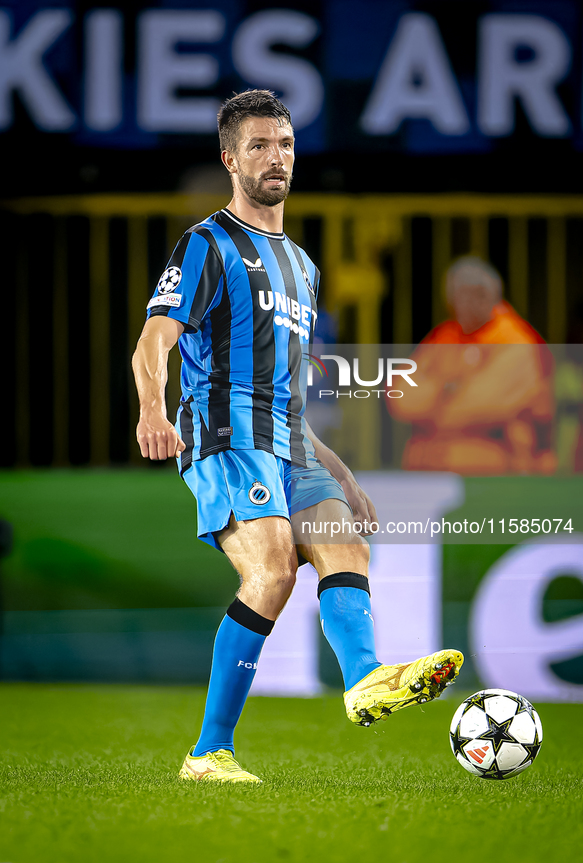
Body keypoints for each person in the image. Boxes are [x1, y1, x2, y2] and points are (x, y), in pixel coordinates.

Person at [132, 90, 463, 784]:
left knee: (344, 544)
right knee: (274, 569)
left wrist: (341, 473)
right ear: (230, 158)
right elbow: (151, 343)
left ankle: (366, 679)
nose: (274, 156)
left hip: (290, 438)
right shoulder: (205, 244)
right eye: (257, 145)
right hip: (225, 430)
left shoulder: (305, 270)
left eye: (282, 143)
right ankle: (207, 752)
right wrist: (152, 411)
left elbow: (290, 394)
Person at [388, 256, 556, 475]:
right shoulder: (445, 335)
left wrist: (432, 404)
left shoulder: (516, 340)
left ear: (491, 295)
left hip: (501, 474)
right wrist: (447, 387)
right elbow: (400, 397)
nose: (465, 302)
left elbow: (484, 405)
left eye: (476, 294)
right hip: (430, 470)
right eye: (459, 295)